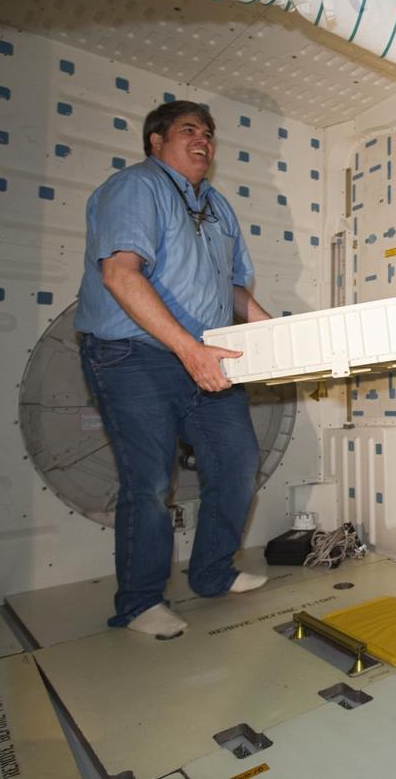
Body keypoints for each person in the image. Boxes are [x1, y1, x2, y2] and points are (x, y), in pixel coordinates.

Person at [75, 100, 273, 639]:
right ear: (156, 140)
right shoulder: (137, 187)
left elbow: (233, 289)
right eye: (189, 130)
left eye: (208, 133)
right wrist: (189, 350)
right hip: (132, 357)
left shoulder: (217, 205)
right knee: (149, 480)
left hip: (202, 355)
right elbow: (120, 273)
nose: (203, 139)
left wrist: (279, 340)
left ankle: (212, 573)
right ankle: (139, 603)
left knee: (236, 462)